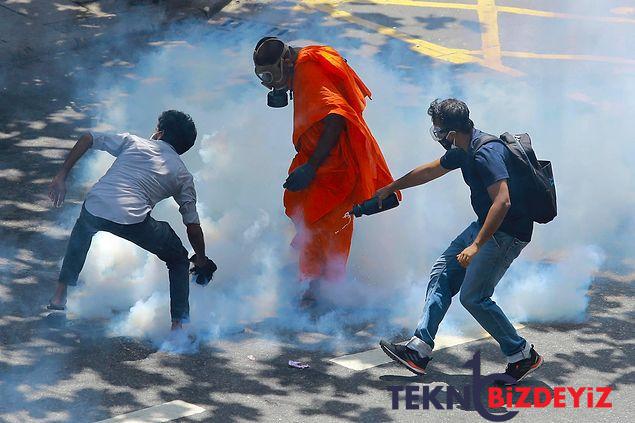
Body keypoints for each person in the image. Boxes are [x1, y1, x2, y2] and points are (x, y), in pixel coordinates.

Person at [377, 99, 543, 384]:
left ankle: (522, 354)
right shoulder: (462, 150)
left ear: (452, 134)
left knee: (473, 297)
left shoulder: (485, 153)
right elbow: (430, 170)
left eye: (439, 131)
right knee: (442, 273)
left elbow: (502, 202)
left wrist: (476, 245)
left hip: (506, 233)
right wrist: (393, 186)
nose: (438, 137)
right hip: (485, 226)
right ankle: (419, 349)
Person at [253, 37, 397, 306]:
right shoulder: (298, 64)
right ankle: (314, 279)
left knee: (328, 223)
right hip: (316, 159)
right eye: (263, 77)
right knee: (307, 214)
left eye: (271, 75)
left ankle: (323, 287)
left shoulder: (308, 70)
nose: (270, 82)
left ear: (285, 61)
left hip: (332, 165)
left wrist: (312, 167)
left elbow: (335, 116)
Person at [47, 110, 210, 330]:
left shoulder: (133, 142)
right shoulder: (182, 174)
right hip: (132, 220)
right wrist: (200, 258)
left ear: (159, 133)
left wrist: (61, 175)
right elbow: (192, 226)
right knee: (179, 259)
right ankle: (178, 328)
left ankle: (59, 297)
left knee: (82, 232)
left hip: (95, 205)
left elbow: (88, 137)